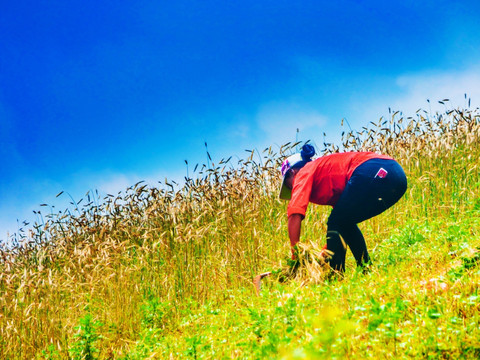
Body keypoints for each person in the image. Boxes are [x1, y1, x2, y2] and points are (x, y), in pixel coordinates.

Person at [279, 144, 407, 272]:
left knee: (337, 221)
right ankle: (365, 268)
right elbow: (340, 225)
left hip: (377, 168)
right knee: (344, 222)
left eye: (287, 184)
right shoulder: (326, 178)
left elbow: (295, 213)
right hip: (397, 177)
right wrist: (323, 255)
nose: (291, 189)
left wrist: (296, 257)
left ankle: (336, 276)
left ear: (292, 172)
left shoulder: (304, 171)